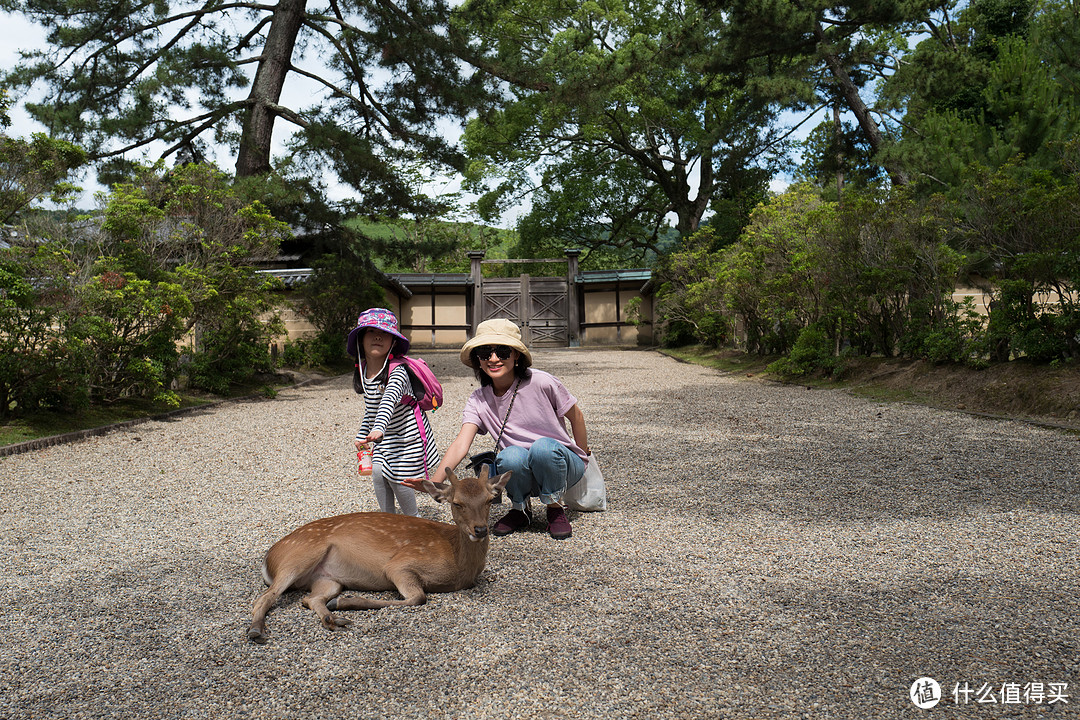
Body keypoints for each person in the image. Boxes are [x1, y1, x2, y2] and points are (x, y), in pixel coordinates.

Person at [432, 318, 590, 540]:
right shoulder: (479, 399)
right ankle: (520, 509)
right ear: (478, 359)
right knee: (510, 455)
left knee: (542, 447)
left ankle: (555, 507)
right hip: (522, 471)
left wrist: (582, 457)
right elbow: (461, 443)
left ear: (516, 355)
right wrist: (435, 483)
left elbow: (577, 416)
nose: (494, 359)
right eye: (486, 352)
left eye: (503, 351)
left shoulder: (542, 382)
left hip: (561, 464)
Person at [347, 308, 440, 516]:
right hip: (386, 436)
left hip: (409, 437)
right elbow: (371, 409)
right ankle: (388, 520)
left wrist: (378, 429)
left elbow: (388, 402)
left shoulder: (398, 371)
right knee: (378, 474)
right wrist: (363, 434)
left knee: (400, 480)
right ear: (361, 339)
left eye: (385, 333)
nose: (378, 336)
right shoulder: (364, 370)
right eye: (370, 331)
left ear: (393, 342)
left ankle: (413, 521)